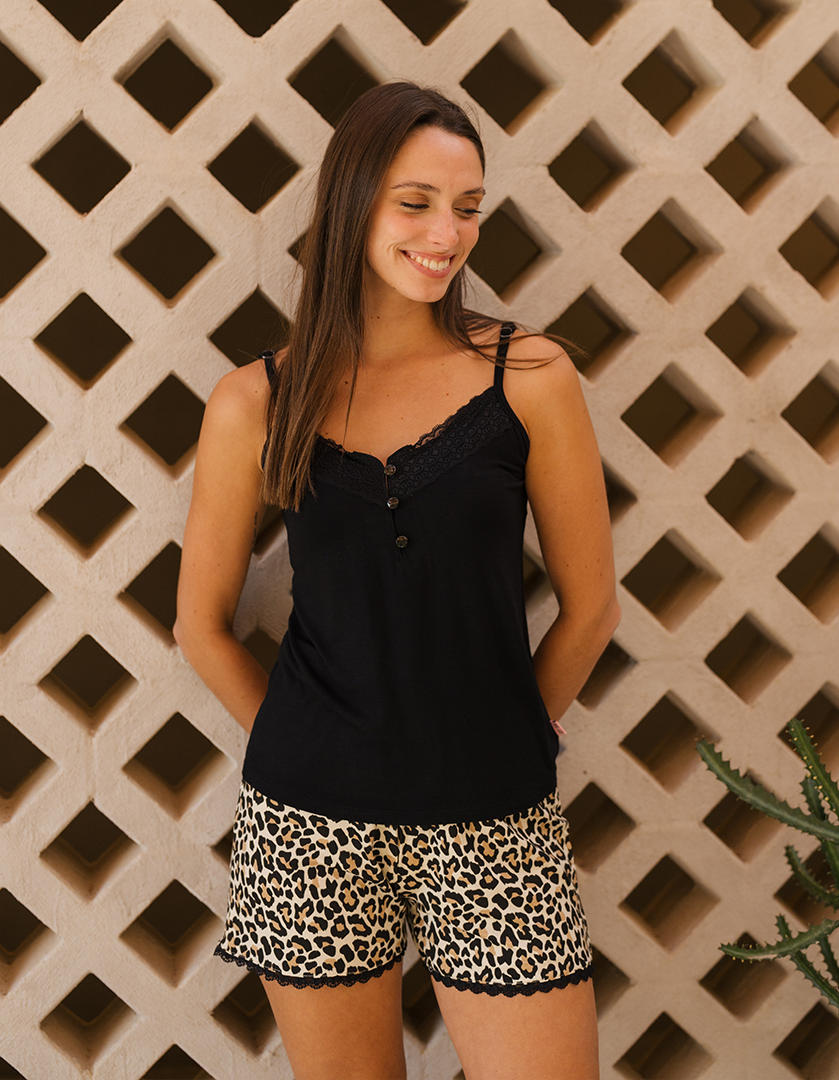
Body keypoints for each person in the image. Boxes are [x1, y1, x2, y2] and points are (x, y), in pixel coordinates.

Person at [174, 80, 619, 1080]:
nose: (446, 234)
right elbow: (200, 626)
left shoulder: (529, 376)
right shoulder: (256, 401)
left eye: (468, 207)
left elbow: (592, 609)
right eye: (415, 203)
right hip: (308, 830)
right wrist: (318, 747)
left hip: (496, 820)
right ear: (353, 201)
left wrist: (511, 736)